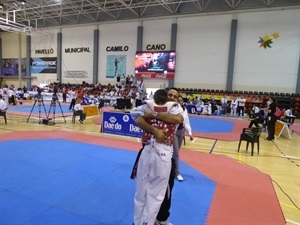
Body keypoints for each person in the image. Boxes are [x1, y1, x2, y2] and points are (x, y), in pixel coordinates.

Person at [130, 89, 183, 225]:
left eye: (174, 96)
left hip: (161, 152)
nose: (171, 97)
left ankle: (152, 220)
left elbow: (178, 119)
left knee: (152, 192)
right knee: (149, 193)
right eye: (169, 95)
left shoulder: (174, 109)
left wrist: (154, 114)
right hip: (152, 151)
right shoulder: (149, 106)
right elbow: (137, 118)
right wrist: (155, 130)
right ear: (165, 97)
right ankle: (142, 223)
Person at [174, 95, 193, 181]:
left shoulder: (185, 109)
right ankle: (177, 172)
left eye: (181, 100)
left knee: (175, 153)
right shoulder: (173, 108)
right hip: (174, 132)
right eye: (178, 100)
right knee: (176, 153)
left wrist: (189, 133)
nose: (180, 102)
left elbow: (187, 121)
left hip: (181, 131)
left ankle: (172, 169)